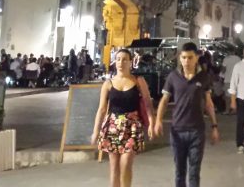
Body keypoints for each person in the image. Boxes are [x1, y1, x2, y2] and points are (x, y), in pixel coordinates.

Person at [155, 42, 219, 187]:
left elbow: (208, 103)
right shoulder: (173, 77)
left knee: (194, 172)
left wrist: (214, 126)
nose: (186, 61)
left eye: (190, 58)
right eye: (183, 58)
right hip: (177, 131)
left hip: (197, 131)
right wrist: (158, 120)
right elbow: (164, 101)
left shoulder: (203, 77)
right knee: (179, 171)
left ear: (196, 58)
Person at [92, 48, 155, 187]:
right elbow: (102, 109)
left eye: (125, 59)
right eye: (118, 59)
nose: (121, 63)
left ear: (131, 62)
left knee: (126, 164)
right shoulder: (108, 84)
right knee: (114, 167)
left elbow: (148, 104)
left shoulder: (139, 81)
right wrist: (95, 131)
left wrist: (152, 122)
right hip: (112, 126)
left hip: (132, 126)